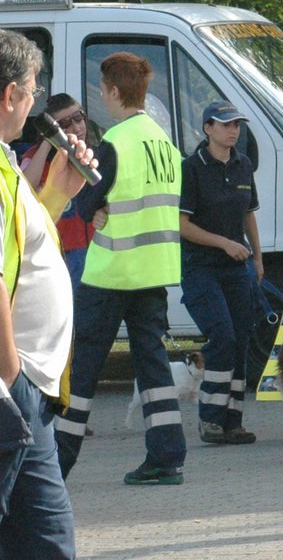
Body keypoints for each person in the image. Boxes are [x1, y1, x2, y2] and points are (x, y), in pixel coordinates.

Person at [0, 29, 173, 560]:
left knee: (45, 544)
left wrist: (57, 191)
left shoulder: (8, 167)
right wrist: (11, 382)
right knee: (45, 540)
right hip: (13, 392)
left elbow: (23, 246)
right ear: (11, 95)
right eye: (34, 92)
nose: (38, 103)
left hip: (29, 391)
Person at [54, 53, 187, 485]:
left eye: (102, 91)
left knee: (84, 369)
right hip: (154, 270)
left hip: (111, 272)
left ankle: (55, 466)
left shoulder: (116, 142)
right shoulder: (164, 142)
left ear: (112, 91)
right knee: (154, 366)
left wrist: (99, 207)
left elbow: (87, 203)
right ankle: (167, 457)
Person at [178, 101, 263, 444]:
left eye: (237, 125)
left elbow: (249, 215)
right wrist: (223, 244)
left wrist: (257, 258)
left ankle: (233, 421)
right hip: (201, 268)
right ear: (207, 129)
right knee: (223, 337)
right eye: (226, 125)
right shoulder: (192, 168)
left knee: (241, 340)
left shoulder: (243, 165)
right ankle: (210, 420)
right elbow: (181, 224)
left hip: (237, 268)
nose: (233, 131)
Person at [19, 94, 94, 287]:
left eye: (79, 117)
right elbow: (25, 185)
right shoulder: (38, 156)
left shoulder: (91, 155)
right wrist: (49, 139)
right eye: (65, 124)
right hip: (58, 249)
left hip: (92, 249)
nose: (76, 128)